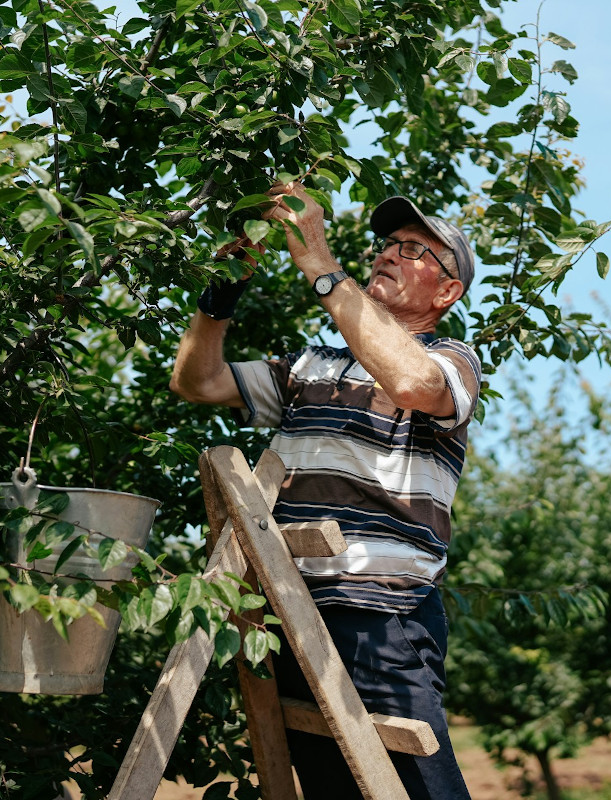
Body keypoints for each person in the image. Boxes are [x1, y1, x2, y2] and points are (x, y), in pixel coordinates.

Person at [170, 182, 480, 800]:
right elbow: (196, 381)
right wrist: (220, 294)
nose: (389, 254)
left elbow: (414, 383)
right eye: (388, 244)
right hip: (288, 611)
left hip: (380, 615)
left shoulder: (450, 359)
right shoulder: (308, 366)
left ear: (447, 291)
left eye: (415, 251)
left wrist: (319, 265)